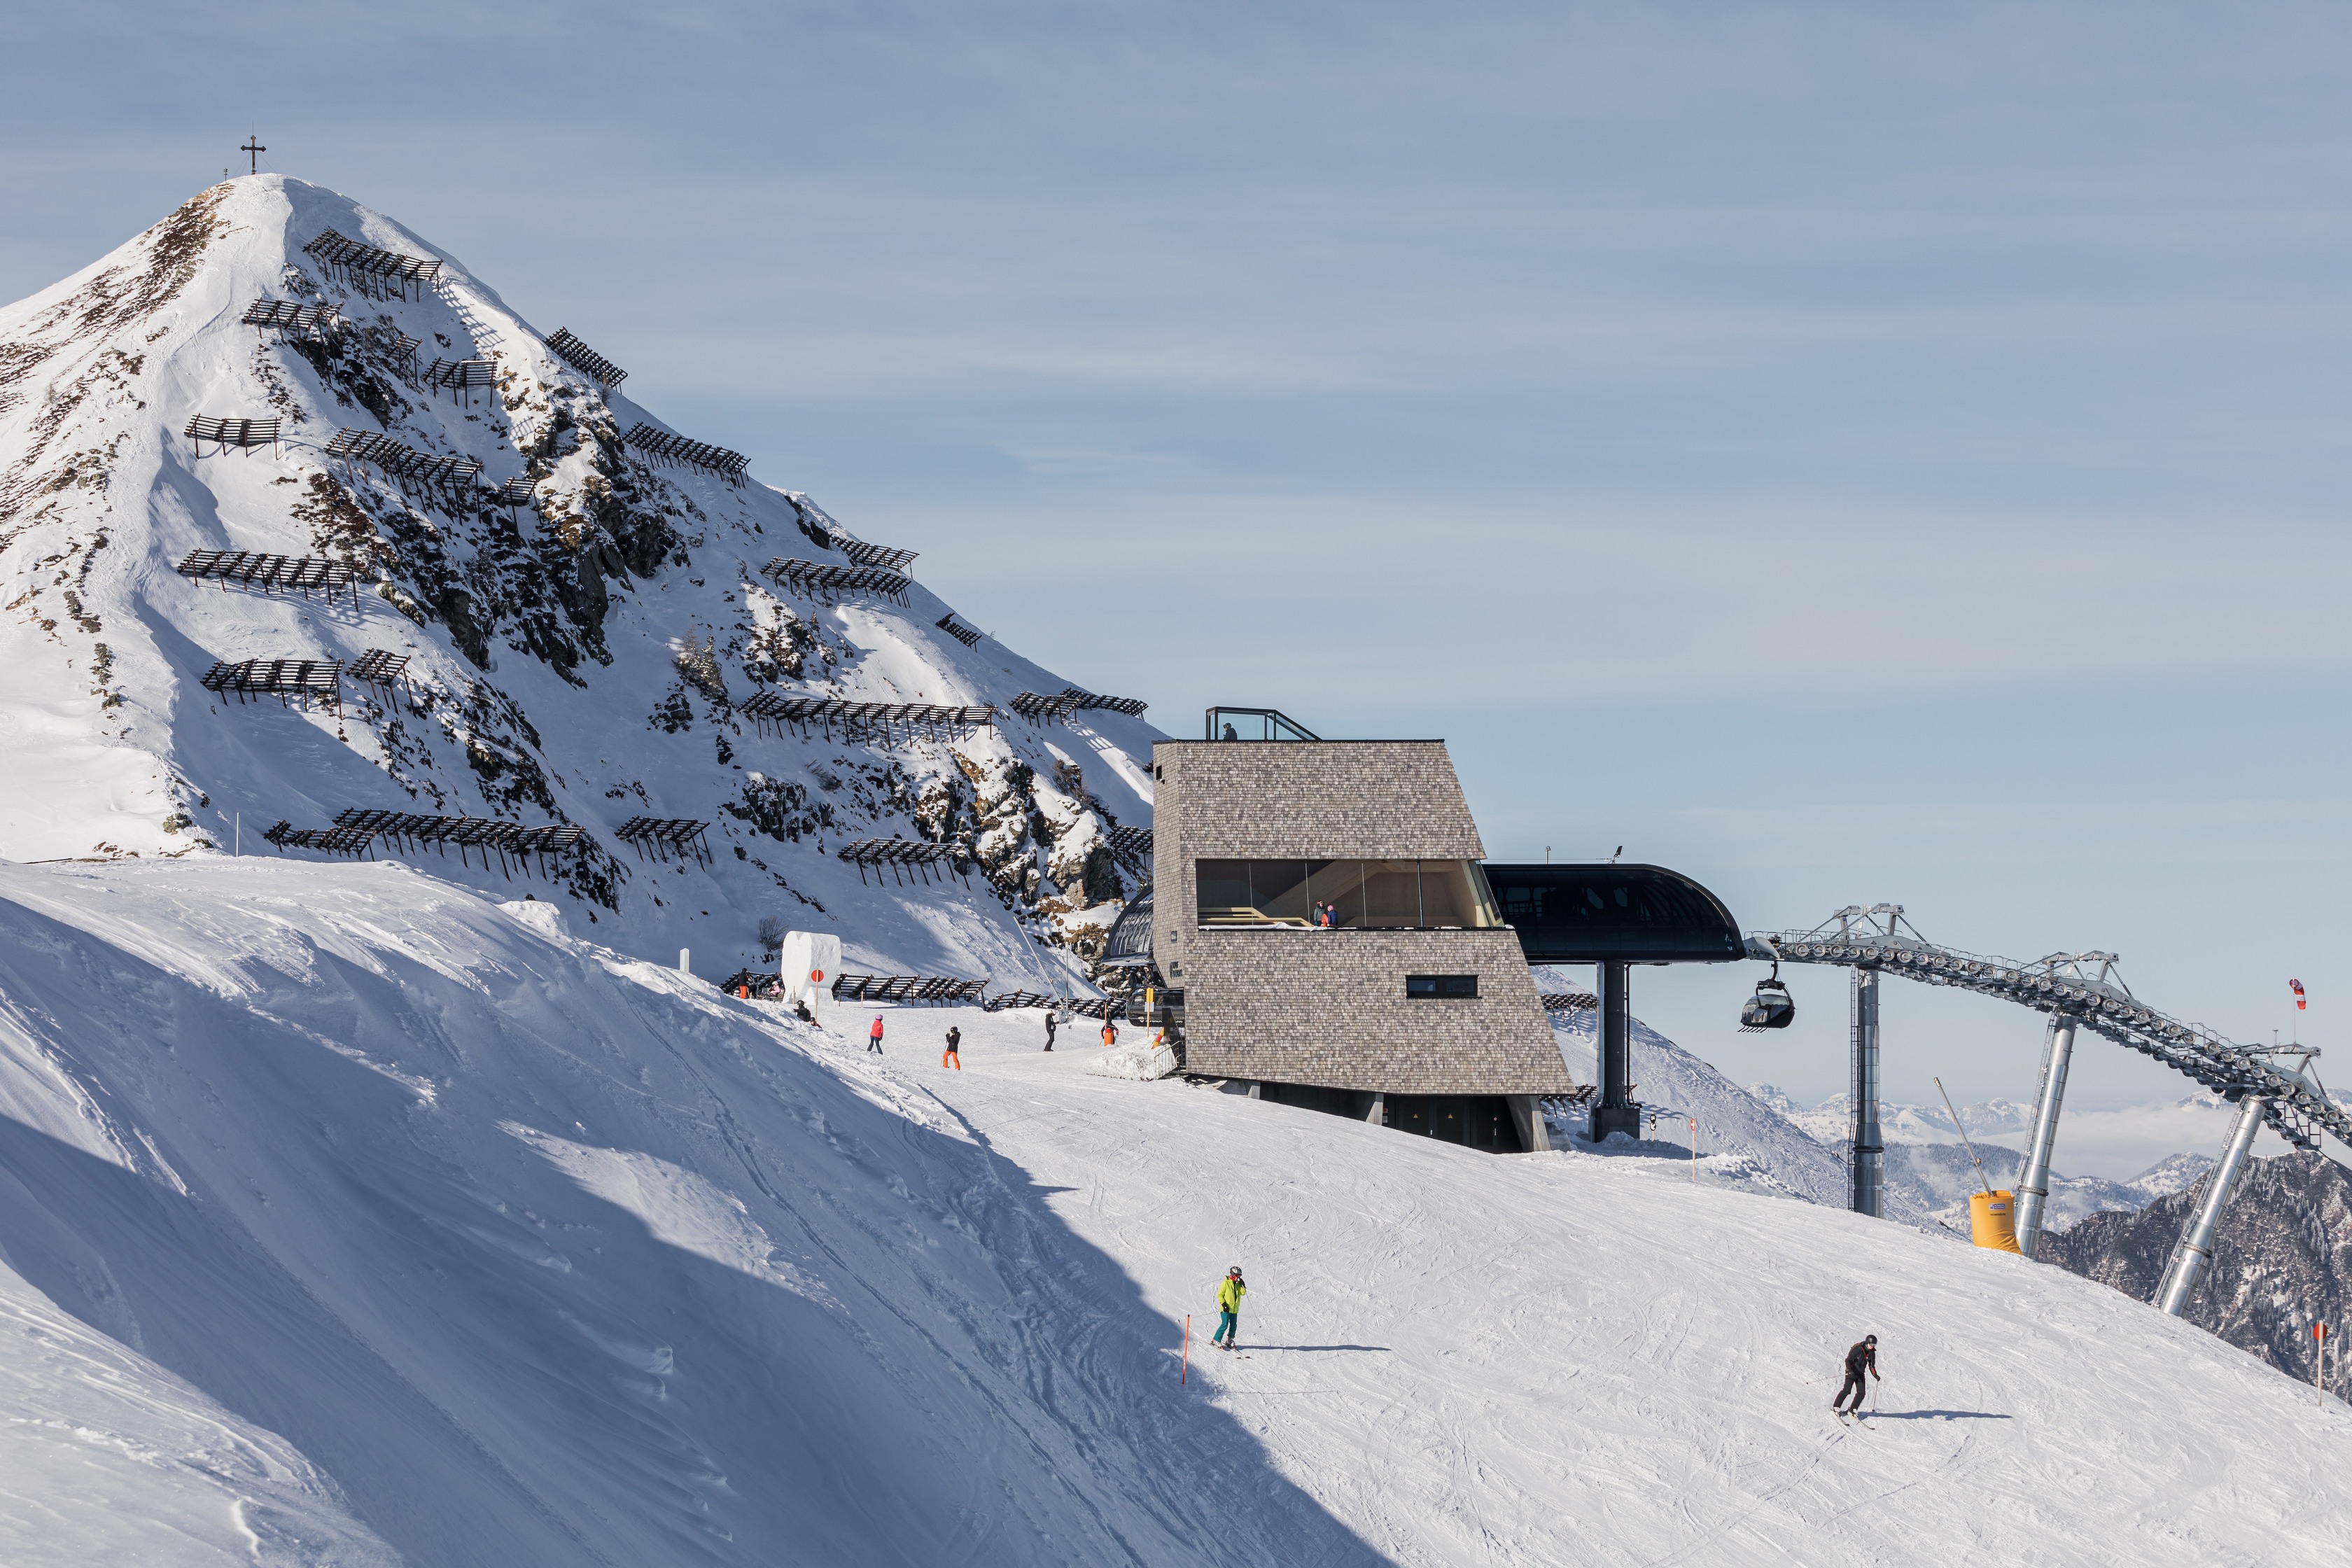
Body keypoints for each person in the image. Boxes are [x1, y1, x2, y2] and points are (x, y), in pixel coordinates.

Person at [1834, 1334, 1878, 1416]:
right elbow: (1848, 1360)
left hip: (1860, 1374)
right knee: (1847, 1390)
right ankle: (1836, 1406)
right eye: (1872, 1344)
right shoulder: (1858, 1348)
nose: (1873, 1347)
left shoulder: (1872, 1353)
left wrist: (1875, 1375)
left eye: (1874, 1345)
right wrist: (1849, 1370)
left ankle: (1853, 1409)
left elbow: (1871, 1366)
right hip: (1852, 1372)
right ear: (1867, 1343)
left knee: (1862, 1393)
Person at [1213, 1266, 1246, 1350]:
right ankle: (1216, 1339)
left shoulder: (1238, 1284)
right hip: (1226, 1309)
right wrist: (1224, 1304)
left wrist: (1243, 1286)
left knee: (1234, 1325)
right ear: (1232, 1274)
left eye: (1239, 1277)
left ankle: (1230, 1339)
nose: (1238, 1278)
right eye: (1237, 1276)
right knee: (1225, 1324)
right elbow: (1220, 1295)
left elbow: (1243, 1293)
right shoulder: (1226, 1283)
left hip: (1234, 1309)